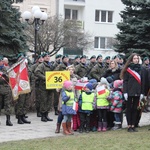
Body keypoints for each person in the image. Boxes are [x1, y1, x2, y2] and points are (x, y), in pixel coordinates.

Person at [120, 53, 145, 132]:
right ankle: (129, 125)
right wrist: (125, 92)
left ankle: (133, 125)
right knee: (129, 109)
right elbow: (125, 81)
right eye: (134, 58)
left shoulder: (141, 69)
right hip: (129, 91)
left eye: (137, 58)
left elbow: (142, 81)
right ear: (131, 59)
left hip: (138, 91)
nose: (136, 60)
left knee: (135, 109)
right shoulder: (128, 70)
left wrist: (142, 92)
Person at [35, 53, 54, 122]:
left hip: (51, 86)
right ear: (43, 58)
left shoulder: (51, 65)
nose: (47, 58)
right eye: (46, 57)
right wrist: (45, 78)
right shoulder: (41, 65)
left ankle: (47, 115)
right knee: (44, 101)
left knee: (49, 101)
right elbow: (37, 72)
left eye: (48, 56)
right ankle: (43, 116)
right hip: (43, 86)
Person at [0, 56, 13, 126]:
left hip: (6, 90)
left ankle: (8, 120)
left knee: (7, 105)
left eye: (1, 61)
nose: (0, 62)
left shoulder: (7, 69)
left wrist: (5, 76)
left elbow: (10, 79)